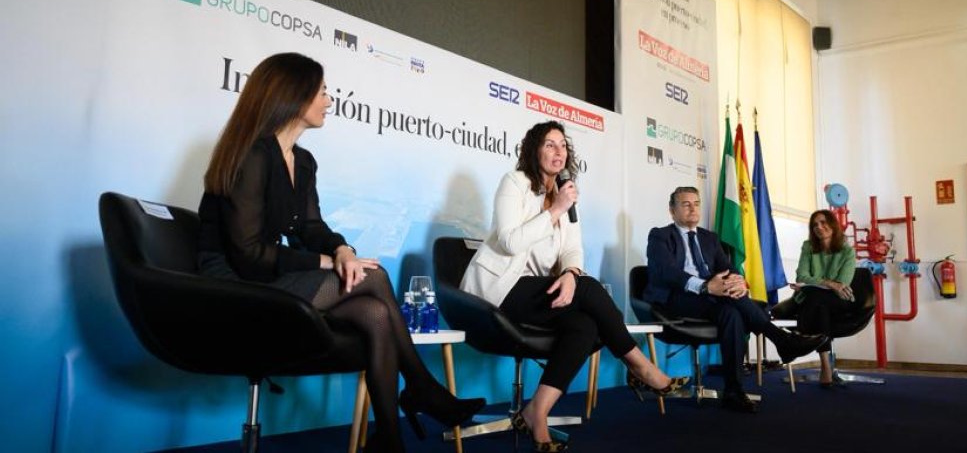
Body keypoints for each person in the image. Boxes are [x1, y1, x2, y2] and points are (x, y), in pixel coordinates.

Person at [196, 52, 484, 452]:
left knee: (376, 313)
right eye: (322, 92)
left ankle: (389, 437)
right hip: (233, 287)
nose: (329, 101)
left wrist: (342, 250)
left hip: (268, 277)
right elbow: (247, 256)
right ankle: (421, 389)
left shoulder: (302, 161)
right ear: (294, 95)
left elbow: (310, 228)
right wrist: (325, 261)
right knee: (376, 278)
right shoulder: (253, 155)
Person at [461, 121, 687, 452]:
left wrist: (570, 273)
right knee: (590, 289)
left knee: (584, 324)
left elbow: (572, 249)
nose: (559, 151)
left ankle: (536, 412)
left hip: (535, 292)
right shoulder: (515, 183)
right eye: (550, 144)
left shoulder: (564, 193)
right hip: (496, 291)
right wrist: (556, 210)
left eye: (563, 145)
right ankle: (640, 367)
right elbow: (510, 242)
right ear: (534, 150)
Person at [644, 187, 827, 413]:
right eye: (686, 204)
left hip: (713, 299)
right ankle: (782, 340)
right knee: (735, 304)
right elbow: (666, 272)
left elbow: (728, 269)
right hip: (677, 298)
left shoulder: (709, 238)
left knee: (732, 312)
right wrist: (704, 286)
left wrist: (738, 281)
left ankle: (733, 391)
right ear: (672, 211)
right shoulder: (660, 236)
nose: (693, 209)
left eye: (696, 203)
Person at [784, 209, 858, 387]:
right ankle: (826, 366)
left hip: (839, 299)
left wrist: (816, 283)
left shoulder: (847, 252)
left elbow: (842, 283)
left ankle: (800, 338)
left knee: (815, 296)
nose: (819, 227)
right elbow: (802, 276)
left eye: (823, 222)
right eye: (815, 225)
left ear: (833, 225)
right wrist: (829, 283)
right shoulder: (808, 246)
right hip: (816, 299)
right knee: (818, 302)